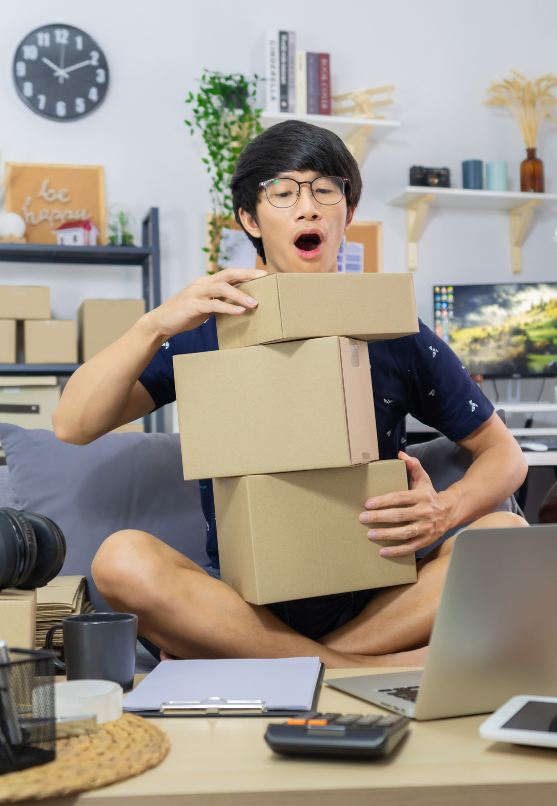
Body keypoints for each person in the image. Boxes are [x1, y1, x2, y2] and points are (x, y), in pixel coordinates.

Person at [54, 120, 528, 668]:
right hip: (246, 602)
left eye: (326, 189)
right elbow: (73, 425)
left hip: (382, 595)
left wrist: (446, 510)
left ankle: (299, 661)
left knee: (507, 534)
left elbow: (505, 454)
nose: (308, 208)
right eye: (283, 192)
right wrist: (156, 324)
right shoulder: (206, 326)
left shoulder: (392, 328)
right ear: (250, 219)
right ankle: (357, 668)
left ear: (346, 214)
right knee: (120, 560)